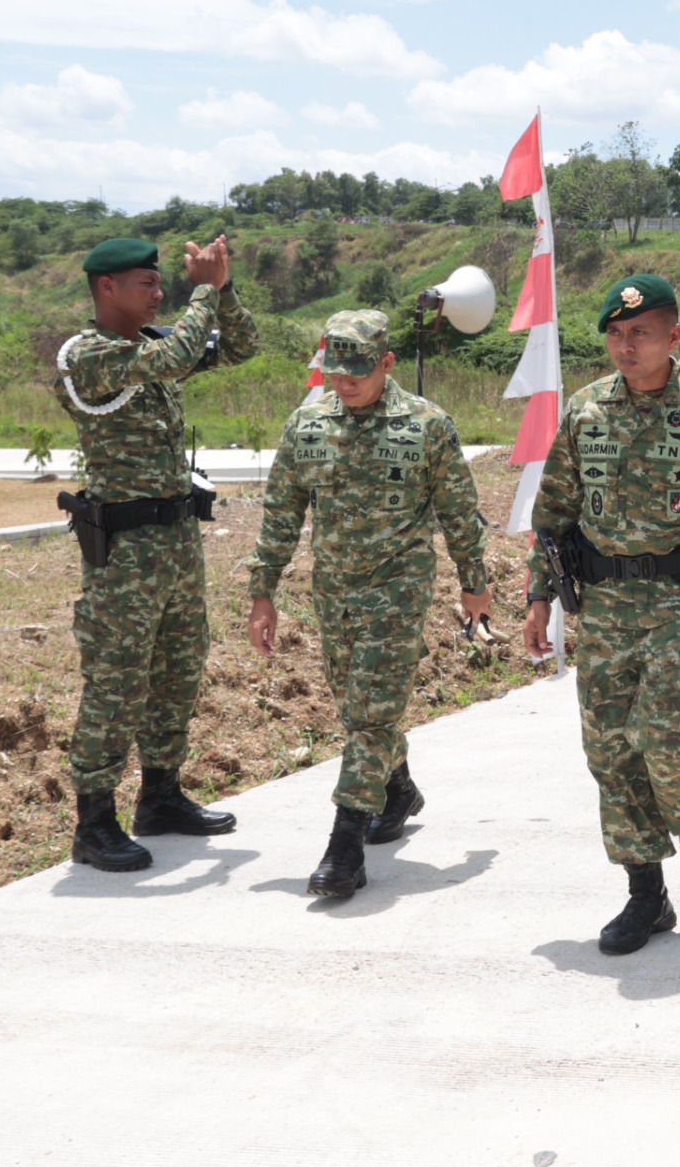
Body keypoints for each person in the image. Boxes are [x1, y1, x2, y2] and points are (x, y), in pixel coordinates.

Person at [521, 275, 680, 956]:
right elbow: (551, 517)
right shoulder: (585, 413)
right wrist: (538, 597)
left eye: (640, 333)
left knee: (665, 736)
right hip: (604, 603)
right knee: (608, 746)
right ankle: (644, 890)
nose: (625, 346)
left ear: (673, 336)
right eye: (615, 334)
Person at [244, 310, 488, 900]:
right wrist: (263, 592)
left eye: (358, 370)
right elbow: (281, 512)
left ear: (386, 362)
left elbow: (459, 509)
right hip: (334, 589)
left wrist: (473, 582)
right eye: (335, 370)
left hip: (398, 584)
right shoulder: (307, 424)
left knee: (374, 710)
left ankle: (344, 845)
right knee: (358, 712)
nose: (345, 382)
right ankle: (397, 788)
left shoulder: (427, 425)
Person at [53, 235, 258, 873]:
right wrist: (203, 291)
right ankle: (93, 822)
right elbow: (176, 356)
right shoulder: (90, 355)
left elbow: (243, 346)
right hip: (125, 551)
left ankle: (161, 795)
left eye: (161, 281)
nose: (159, 291)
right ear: (106, 288)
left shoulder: (149, 347)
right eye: (147, 282)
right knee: (117, 679)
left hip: (174, 543)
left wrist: (222, 290)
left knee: (177, 670)